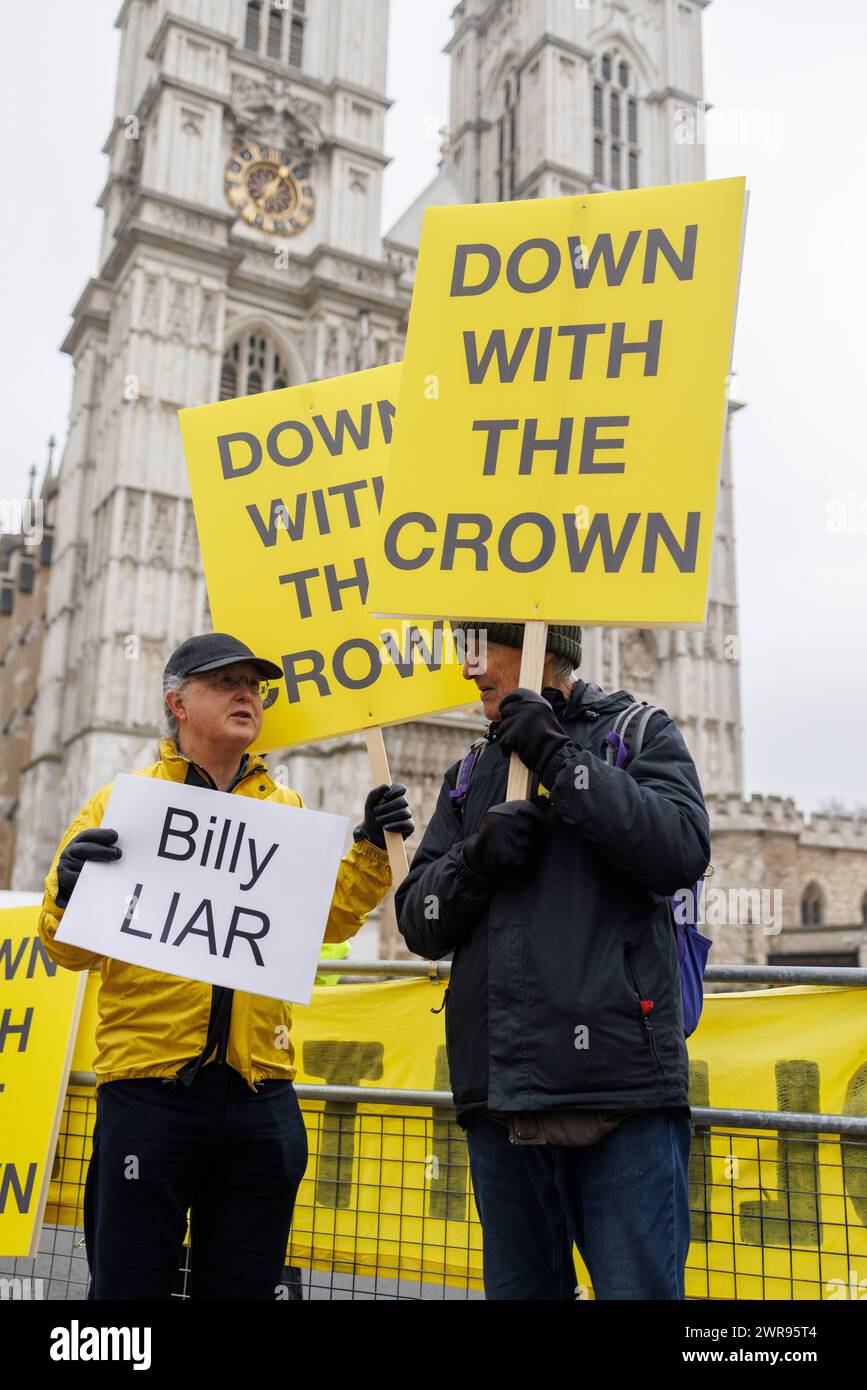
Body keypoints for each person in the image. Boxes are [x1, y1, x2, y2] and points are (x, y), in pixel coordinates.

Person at [38, 632, 414, 1301]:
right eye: (225, 683)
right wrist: (67, 892)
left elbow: (323, 925)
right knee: (126, 1300)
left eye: (255, 686)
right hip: (149, 1092)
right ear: (175, 703)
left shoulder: (284, 811)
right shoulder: (119, 807)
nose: (248, 695)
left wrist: (369, 851)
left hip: (259, 1094)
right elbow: (68, 951)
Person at [395, 621, 710, 1301]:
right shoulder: (472, 772)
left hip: (618, 1090)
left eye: (481, 647)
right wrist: (473, 860)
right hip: (501, 1096)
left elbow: (678, 852)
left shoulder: (638, 732)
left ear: (541, 651)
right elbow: (417, 920)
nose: (467, 665)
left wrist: (560, 761)